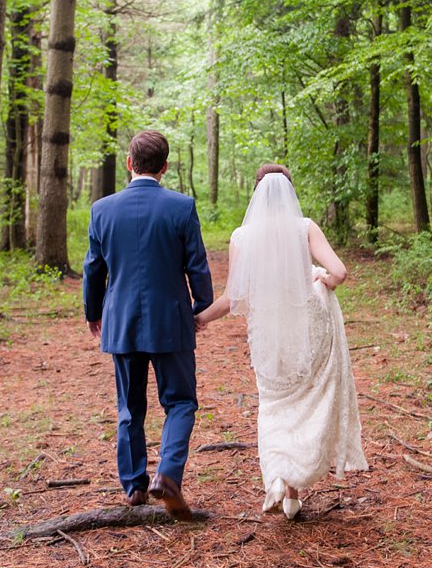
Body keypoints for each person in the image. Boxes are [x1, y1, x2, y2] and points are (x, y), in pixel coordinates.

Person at [196, 164, 368, 519]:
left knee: (273, 404)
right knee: (306, 401)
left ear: (257, 193)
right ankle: (292, 493)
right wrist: (320, 277)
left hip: (268, 335)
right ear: (290, 192)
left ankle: (277, 479)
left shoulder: (241, 237)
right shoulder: (304, 229)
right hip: (308, 331)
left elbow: (233, 298)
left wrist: (200, 319)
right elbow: (339, 273)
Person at [83, 130, 214, 520]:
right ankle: (168, 474)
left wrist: (94, 312)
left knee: (130, 406)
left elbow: (94, 269)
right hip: (171, 320)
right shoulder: (181, 206)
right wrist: (201, 306)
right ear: (165, 167)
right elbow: (197, 264)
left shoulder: (102, 209)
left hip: (121, 321)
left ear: (129, 163)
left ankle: (135, 486)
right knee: (181, 402)